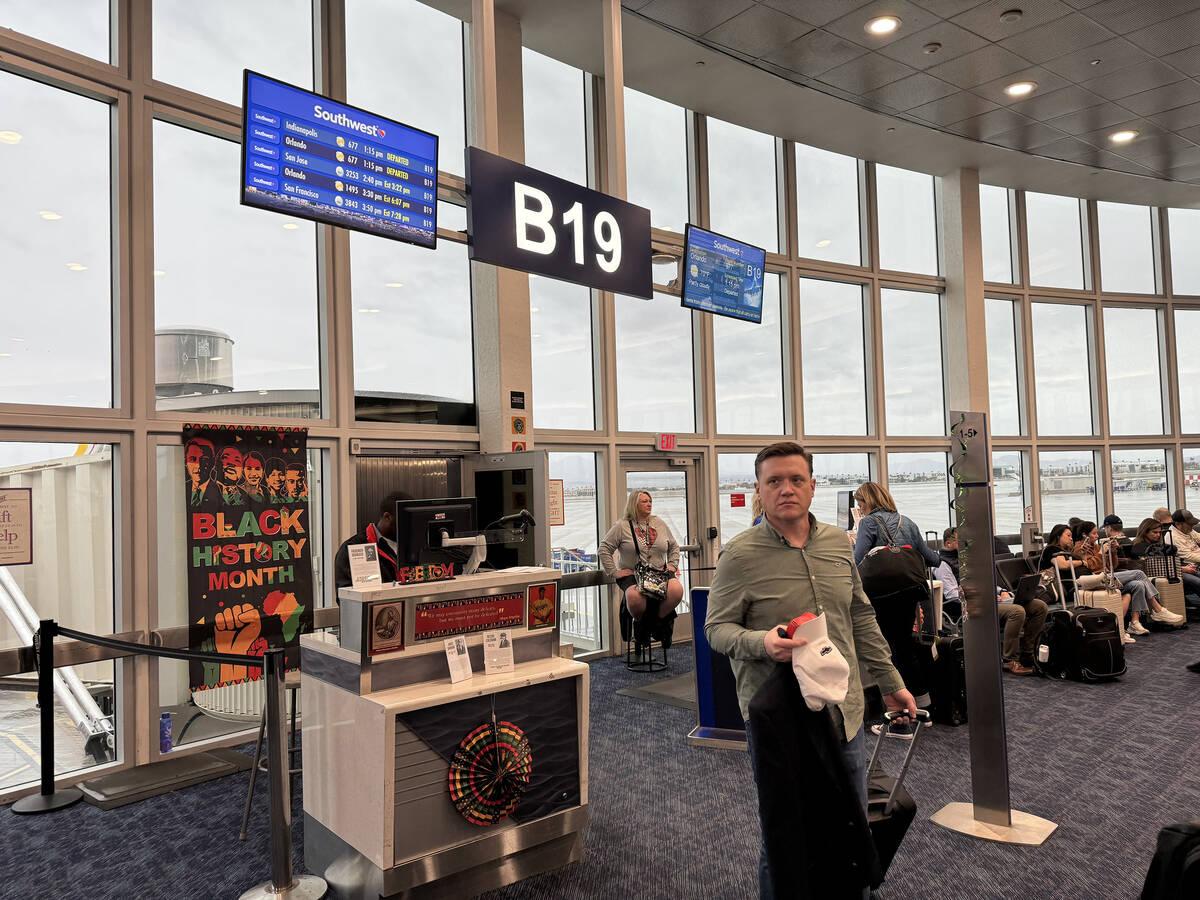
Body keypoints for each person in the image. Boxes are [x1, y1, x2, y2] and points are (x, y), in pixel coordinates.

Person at [706, 442, 916, 898]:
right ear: (758, 491)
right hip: (782, 721)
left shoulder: (839, 547)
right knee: (785, 838)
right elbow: (716, 630)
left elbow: (860, 617)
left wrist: (892, 683)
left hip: (846, 712)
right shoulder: (739, 556)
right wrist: (762, 643)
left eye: (796, 480)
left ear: (813, 487)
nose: (786, 490)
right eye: (774, 481)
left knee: (851, 830)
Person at [852, 481, 940, 714]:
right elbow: (931, 558)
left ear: (867, 502)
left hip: (882, 596)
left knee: (885, 651)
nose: (859, 509)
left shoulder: (869, 523)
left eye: (860, 503)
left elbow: (857, 559)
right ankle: (922, 703)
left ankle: (898, 710)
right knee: (904, 646)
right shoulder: (907, 522)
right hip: (909, 593)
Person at [936, 529, 1046, 675]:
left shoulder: (966, 560)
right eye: (961, 542)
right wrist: (985, 596)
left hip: (988, 600)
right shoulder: (941, 565)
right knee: (1017, 611)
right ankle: (1009, 660)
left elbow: (984, 583)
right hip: (968, 607)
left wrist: (1000, 591)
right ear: (949, 543)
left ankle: (1027, 653)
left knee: (1039, 606)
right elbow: (951, 595)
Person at [599, 490, 683, 648]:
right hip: (632, 574)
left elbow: (674, 546)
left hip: (659, 573)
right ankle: (653, 628)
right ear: (633, 504)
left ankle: (648, 626)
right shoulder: (622, 526)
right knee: (635, 596)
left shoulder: (659, 523)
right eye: (644, 501)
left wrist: (672, 565)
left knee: (676, 590)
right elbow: (604, 549)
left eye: (650, 500)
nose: (649, 504)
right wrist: (614, 572)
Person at [1073, 520, 1182, 633]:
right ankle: (1157, 608)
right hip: (1096, 580)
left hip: (1108, 576)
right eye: (1094, 534)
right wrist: (1101, 553)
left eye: (1097, 533)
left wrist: (1113, 551)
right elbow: (1091, 566)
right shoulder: (1079, 549)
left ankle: (1134, 622)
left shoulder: (1095, 547)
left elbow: (1113, 566)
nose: (1097, 536)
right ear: (1084, 535)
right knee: (1138, 574)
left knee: (1138, 584)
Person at [333, 490, 411, 593]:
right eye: (406, 520)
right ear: (387, 517)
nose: (410, 526)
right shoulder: (352, 548)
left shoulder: (413, 547)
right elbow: (346, 598)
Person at [184, 437, 217, 508]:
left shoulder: (220, 491)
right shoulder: (181, 489)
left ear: (213, 462)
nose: (198, 466)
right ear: (185, 462)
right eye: (192, 459)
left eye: (204, 459)